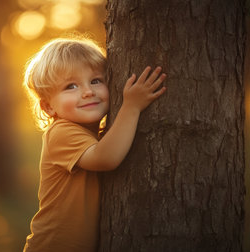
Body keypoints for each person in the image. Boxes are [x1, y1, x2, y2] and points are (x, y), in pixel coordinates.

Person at [22, 37, 167, 252]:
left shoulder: (96, 135)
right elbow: (106, 158)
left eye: (96, 81)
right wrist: (132, 106)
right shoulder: (61, 132)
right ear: (48, 107)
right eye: (71, 86)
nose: (88, 91)